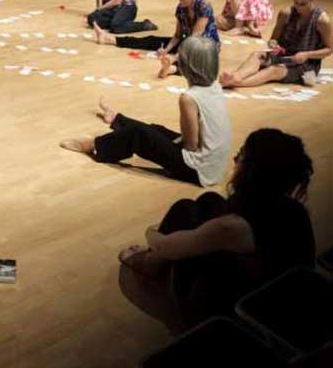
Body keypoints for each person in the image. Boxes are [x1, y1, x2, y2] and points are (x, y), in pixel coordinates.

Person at [117, 128, 315, 332]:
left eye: (241, 155)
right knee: (206, 201)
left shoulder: (233, 227)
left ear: (252, 172)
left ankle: (150, 263)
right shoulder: (294, 209)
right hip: (285, 294)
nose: (235, 158)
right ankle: (156, 261)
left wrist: (151, 232)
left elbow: (166, 246)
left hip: (258, 315)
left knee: (181, 223)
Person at [60, 37, 230, 187]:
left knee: (139, 134)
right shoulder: (215, 86)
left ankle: (94, 146)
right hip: (214, 165)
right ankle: (116, 119)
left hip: (198, 169)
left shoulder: (189, 98)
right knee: (156, 130)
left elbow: (190, 145)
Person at [93, 0, 221, 79]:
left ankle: (172, 69)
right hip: (186, 42)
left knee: (196, 60)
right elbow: (177, 35)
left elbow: (194, 39)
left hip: (204, 46)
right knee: (152, 40)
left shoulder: (204, 7)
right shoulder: (181, 8)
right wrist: (166, 50)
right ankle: (111, 40)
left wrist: (175, 56)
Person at [220, 0, 332, 88]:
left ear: (312, 0)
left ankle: (234, 83)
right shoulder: (286, 13)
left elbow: (329, 49)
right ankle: (236, 77)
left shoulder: (322, 20)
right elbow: (274, 39)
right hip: (284, 55)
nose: (298, 7)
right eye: (295, 2)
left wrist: (307, 55)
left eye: (303, 4)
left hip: (306, 63)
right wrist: (273, 44)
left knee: (274, 70)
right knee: (257, 55)